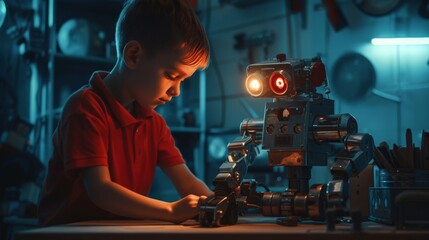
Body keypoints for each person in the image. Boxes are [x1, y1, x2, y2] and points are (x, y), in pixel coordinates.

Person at [38, 0, 213, 226]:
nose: (176, 91)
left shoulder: (154, 123)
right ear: (133, 56)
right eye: (171, 75)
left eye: (183, 81)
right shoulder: (85, 108)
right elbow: (100, 190)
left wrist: (218, 203)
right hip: (67, 232)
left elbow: (187, 182)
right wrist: (170, 210)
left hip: (116, 230)